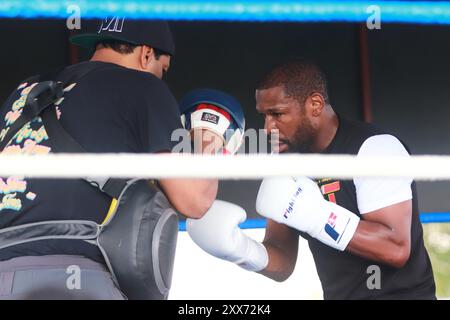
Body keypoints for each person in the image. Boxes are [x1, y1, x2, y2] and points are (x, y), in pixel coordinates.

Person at [0, 18, 235, 299]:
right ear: (147, 54)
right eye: (163, 69)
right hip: (71, 273)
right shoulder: (144, 87)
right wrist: (211, 136)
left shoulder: (26, 90)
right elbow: (194, 199)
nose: (161, 78)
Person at [187, 59, 436, 299]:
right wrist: (240, 250)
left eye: (277, 114)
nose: (267, 128)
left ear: (315, 105)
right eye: (264, 115)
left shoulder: (373, 148)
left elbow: (396, 248)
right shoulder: (286, 165)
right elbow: (282, 260)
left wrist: (318, 217)